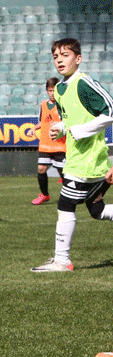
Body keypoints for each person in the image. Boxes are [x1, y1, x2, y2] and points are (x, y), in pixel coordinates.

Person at [31, 38, 113, 272]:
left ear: (78, 59)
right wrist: (64, 128)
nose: (59, 60)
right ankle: (61, 260)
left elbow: (110, 112)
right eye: (56, 56)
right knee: (96, 210)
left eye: (65, 55)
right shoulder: (59, 89)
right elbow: (75, 119)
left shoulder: (84, 83)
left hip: (88, 162)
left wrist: (75, 130)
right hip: (78, 159)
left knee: (65, 204)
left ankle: (62, 260)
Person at [27, 77, 65, 205]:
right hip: (45, 144)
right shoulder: (43, 105)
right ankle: (44, 195)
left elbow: (68, 121)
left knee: (62, 172)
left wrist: (59, 123)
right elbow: (43, 121)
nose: (52, 93)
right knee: (41, 169)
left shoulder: (62, 105)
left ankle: (73, 194)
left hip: (59, 144)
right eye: (50, 90)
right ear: (46, 91)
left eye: (54, 90)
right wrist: (34, 128)